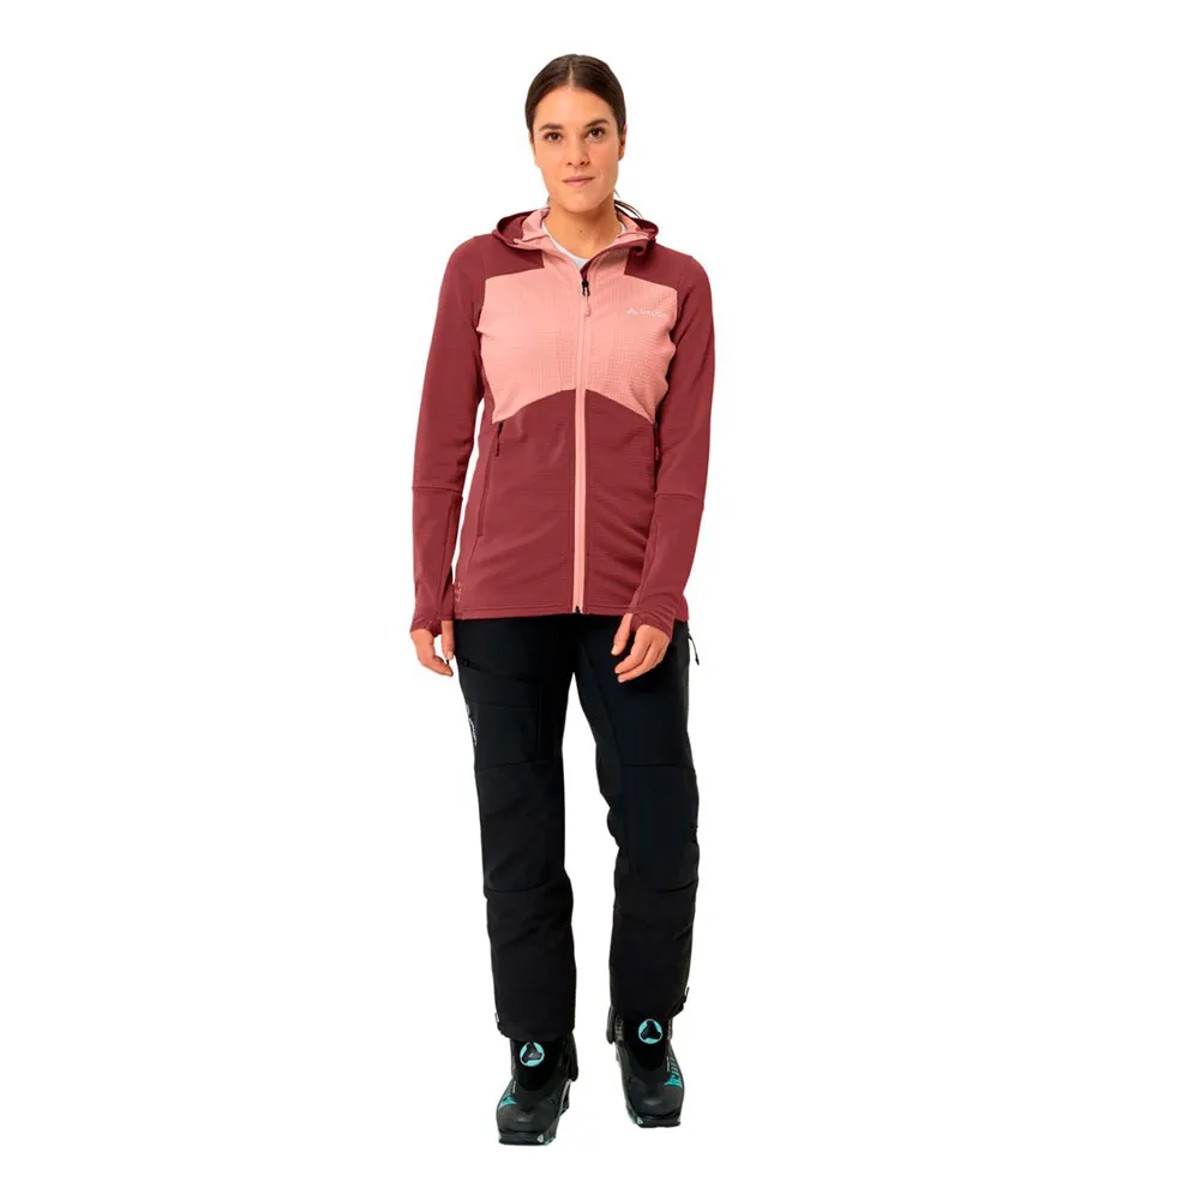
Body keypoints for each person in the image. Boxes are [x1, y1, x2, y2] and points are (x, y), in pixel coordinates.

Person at [408, 53, 715, 1145]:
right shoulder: (477, 270)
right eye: (554, 133)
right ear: (531, 146)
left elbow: (686, 458)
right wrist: (430, 587)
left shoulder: (678, 281)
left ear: (623, 141)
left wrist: (662, 596)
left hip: (634, 605)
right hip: (501, 604)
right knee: (521, 835)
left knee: (661, 826)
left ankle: (647, 1029)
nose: (576, 153)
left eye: (594, 131)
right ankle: (536, 1053)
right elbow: (442, 439)